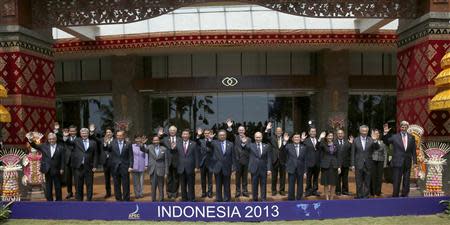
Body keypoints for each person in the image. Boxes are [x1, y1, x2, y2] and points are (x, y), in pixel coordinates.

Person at [63, 128, 98, 201]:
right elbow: (69, 143)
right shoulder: (76, 141)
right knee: (79, 184)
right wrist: (66, 137)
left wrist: (95, 166)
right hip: (78, 167)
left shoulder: (93, 142)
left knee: (89, 184)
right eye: (83, 133)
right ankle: (79, 200)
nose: (84, 134)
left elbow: (95, 155)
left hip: (89, 167)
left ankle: (89, 199)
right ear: (80, 134)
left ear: (88, 134)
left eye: (85, 133)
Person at [28, 133, 65, 201]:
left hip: (57, 169)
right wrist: (30, 141)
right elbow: (35, 146)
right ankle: (49, 200)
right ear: (48, 139)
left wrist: (62, 168)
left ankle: (59, 201)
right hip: (47, 169)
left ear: (56, 139)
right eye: (50, 139)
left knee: (58, 186)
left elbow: (63, 159)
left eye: (53, 139)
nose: (51, 140)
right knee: (48, 186)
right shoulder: (44, 146)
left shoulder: (61, 147)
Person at [386, 121, 417, 197]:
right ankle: (395, 195)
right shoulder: (395, 136)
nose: (404, 128)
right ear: (400, 128)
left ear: (407, 127)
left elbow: (413, 151)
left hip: (407, 162)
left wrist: (415, 162)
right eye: (402, 127)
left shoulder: (411, 137)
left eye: (405, 127)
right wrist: (386, 134)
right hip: (397, 161)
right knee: (396, 180)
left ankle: (405, 194)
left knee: (406, 180)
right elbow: (386, 141)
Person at [104, 130, 133, 201]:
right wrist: (106, 143)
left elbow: (131, 156)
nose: (119, 137)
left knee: (126, 184)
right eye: (118, 135)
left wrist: (130, 166)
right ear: (116, 136)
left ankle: (126, 199)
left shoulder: (128, 144)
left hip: (125, 167)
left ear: (123, 136)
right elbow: (107, 149)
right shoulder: (112, 143)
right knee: (116, 184)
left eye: (120, 135)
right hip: (115, 167)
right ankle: (118, 199)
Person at [170, 129, 199, 202]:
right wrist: (172, 149)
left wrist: (197, 166)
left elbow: (196, 156)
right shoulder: (178, 144)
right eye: (184, 134)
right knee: (182, 185)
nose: (185, 135)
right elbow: (173, 154)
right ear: (181, 135)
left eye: (186, 134)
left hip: (191, 168)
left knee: (191, 185)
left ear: (189, 135)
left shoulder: (194, 144)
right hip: (181, 168)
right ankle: (184, 199)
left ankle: (191, 198)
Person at [206, 129, 235, 202]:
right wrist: (210, 138)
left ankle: (227, 199)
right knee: (218, 185)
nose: (222, 136)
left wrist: (233, 167)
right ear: (218, 136)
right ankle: (218, 199)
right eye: (220, 135)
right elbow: (208, 144)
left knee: (227, 185)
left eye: (223, 135)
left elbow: (233, 156)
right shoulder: (214, 143)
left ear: (226, 136)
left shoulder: (230, 144)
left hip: (227, 167)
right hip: (217, 167)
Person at [351, 125, 378, 199]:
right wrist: (352, 165)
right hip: (358, 164)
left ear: (367, 131)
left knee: (367, 181)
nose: (364, 132)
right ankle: (359, 196)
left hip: (368, 164)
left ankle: (366, 196)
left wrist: (375, 140)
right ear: (360, 131)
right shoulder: (355, 140)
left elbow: (376, 148)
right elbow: (353, 153)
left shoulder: (371, 139)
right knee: (358, 182)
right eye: (363, 131)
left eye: (366, 131)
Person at [242, 132, 272, 202]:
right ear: (254, 138)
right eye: (257, 137)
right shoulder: (251, 145)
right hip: (254, 168)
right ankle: (255, 199)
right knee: (254, 185)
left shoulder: (266, 146)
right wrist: (243, 143)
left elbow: (269, 158)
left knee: (263, 185)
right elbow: (245, 148)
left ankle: (263, 199)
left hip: (263, 169)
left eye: (259, 137)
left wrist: (269, 169)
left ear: (262, 137)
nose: (258, 139)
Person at [226, 119, 250, 198]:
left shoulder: (249, 139)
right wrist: (229, 127)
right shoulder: (235, 137)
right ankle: (238, 191)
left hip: (246, 161)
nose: (241, 131)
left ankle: (245, 191)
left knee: (245, 177)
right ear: (238, 131)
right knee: (238, 177)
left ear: (245, 130)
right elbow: (230, 134)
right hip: (237, 161)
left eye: (242, 130)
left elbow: (250, 149)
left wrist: (244, 143)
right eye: (240, 130)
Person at [141, 135, 169, 202]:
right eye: (154, 140)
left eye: (157, 140)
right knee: (153, 187)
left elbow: (166, 161)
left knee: (161, 186)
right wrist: (142, 144)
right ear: (152, 141)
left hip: (161, 170)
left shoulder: (164, 149)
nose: (156, 141)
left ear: (159, 141)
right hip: (152, 170)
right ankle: (153, 201)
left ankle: (161, 200)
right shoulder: (149, 147)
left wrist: (166, 172)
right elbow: (143, 150)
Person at [283, 132, 308, 200]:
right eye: (295, 137)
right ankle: (291, 199)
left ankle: (299, 198)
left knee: (300, 185)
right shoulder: (288, 146)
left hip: (301, 168)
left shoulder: (304, 147)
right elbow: (282, 152)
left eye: (298, 137)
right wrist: (285, 141)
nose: (297, 138)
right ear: (292, 139)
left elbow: (305, 159)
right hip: (291, 168)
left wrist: (305, 171)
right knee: (291, 185)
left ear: (300, 139)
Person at [264, 123, 287, 196]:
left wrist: (286, 141)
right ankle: (273, 190)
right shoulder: (272, 138)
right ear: (275, 132)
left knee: (282, 177)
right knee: (274, 176)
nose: (279, 132)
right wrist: (267, 129)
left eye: (280, 131)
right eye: (277, 131)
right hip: (274, 160)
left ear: (282, 132)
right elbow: (265, 137)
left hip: (283, 160)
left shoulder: (285, 138)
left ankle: (282, 190)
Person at [159, 126, 181, 199]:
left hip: (176, 161)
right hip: (167, 161)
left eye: (174, 130)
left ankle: (175, 193)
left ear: (176, 131)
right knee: (168, 178)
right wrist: (159, 135)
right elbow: (157, 141)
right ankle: (169, 193)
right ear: (169, 131)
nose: (172, 131)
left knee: (176, 178)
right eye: (171, 130)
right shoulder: (165, 139)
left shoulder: (180, 139)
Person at [319, 131, 340, 200]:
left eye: (331, 136)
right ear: (326, 137)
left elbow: (338, 156)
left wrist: (339, 166)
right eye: (329, 136)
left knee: (333, 183)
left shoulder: (336, 144)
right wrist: (320, 138)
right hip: (325, 166)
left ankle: (331, 198)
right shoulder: (323, 144)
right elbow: (317, 147)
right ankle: (327, 198)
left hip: (334, 166)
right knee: (326, 183)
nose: (330, 137)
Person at [195, 128, 213, 198]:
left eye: (208, 133)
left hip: (210, 163)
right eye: (205, 133)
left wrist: (210, 140)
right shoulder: (201, 141)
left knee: (210, 179)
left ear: (210, 134)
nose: (206, 134)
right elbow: (196, 141)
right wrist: (198, 135)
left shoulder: (213, 141)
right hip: (202, 163)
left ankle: (210, 192)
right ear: (203, 134)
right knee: (203, 179)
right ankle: (203, 192)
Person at [370, 129, 388, 197]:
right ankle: (373, 192)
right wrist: (374, 140)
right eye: (375, 133)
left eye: (378, 133)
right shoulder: (370, 142)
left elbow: (385, 153)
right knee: (373, 177)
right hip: (373, 161)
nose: (377, 134)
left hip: (381, 161)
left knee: (379, 177)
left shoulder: (382, 143)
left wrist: (385, 163)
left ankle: (378, 192)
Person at [304, 127, 321, 197]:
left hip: (317, 162)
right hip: (309, 162)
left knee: (316, 177)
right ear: (309, 132)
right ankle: (308, 190)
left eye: (314, 131)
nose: (313, 133)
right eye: (312, 131)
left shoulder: (319, 140)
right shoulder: (306, 141)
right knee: (309, 177)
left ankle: (315, 190)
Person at [335, 128, 352, 196]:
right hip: (337, 164)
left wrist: (351, 144)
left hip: (346, 163)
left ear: (344, 134)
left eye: (341, 133)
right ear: (337, 134)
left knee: (345, 178)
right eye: (339, 133)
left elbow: (350, 153)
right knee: (337, 178)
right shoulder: (334, 142)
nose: (340, 135)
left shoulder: (348, 142)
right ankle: (338, 191)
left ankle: (345, 191)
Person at [63, 125, 77, 199]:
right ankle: (69, 192)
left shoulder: (79, 139)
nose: (72, 132)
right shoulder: (65, 139)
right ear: (69, 132)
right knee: (68, 179)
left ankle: (77, 192)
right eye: (71, 131)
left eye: (73, 131)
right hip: (67, 161)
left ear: (76, 131)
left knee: (77, 178)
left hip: (76, 162)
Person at [131, 134, 148, 199]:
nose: (138, 140)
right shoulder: (132, 146)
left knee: (141, 182)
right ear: (135, 139)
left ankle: (141, 193)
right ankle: (136, 194)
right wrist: (130, 165)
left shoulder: (144, 146)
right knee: (135, 182)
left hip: (142, 166)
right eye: (136, 138)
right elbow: (131, 156)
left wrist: (146, 165)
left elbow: (146, 156)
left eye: (139, 138)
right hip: (134, 166)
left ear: (141, 139)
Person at [101, 128, 114, 199]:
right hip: (105, 162)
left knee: (115, 178)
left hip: (113, 162)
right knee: (107, 179)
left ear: (112, 133)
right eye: (107, 132)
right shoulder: (102, 140)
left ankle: (117, 192)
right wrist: (105, 143)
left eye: (109, 132)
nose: (108, 133)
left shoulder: (115, 140)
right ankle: (108, 193)